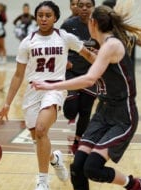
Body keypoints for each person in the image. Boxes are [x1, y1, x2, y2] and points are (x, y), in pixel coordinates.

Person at [32, 1, 141, 190]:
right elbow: (93, 60)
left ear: (93, 23)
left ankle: (135, 185)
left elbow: (89, 79)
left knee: (93, 168)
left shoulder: (111, 45)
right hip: (103, 113)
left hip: (123, 116)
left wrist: (51, 85)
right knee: (77, 167)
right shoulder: (103, 46)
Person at [0, 1, 96, 190]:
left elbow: (87, 54)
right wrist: (7, 103)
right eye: (40, 15)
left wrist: (104, 67)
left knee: (41, 130)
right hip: (33, 92)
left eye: (48, 15)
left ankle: (43, 183)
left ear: (55, 18)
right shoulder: (28, 42)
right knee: (38, 139)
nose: (43, 18)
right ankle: (54, 159)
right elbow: (17, 75)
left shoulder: (64, 37)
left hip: (55, 89)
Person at [61, 0, 98, 154]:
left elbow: (107, 44)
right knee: (71, 110)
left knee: (85, 110)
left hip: (92, 73)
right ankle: (70, 113)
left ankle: (78, 139)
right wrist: (64, 61)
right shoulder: (68, 25)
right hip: (72, 72)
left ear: (93, 7)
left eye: (88, 6)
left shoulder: (99, 25)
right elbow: (58, 45)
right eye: (81, 5)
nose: (84, 8)